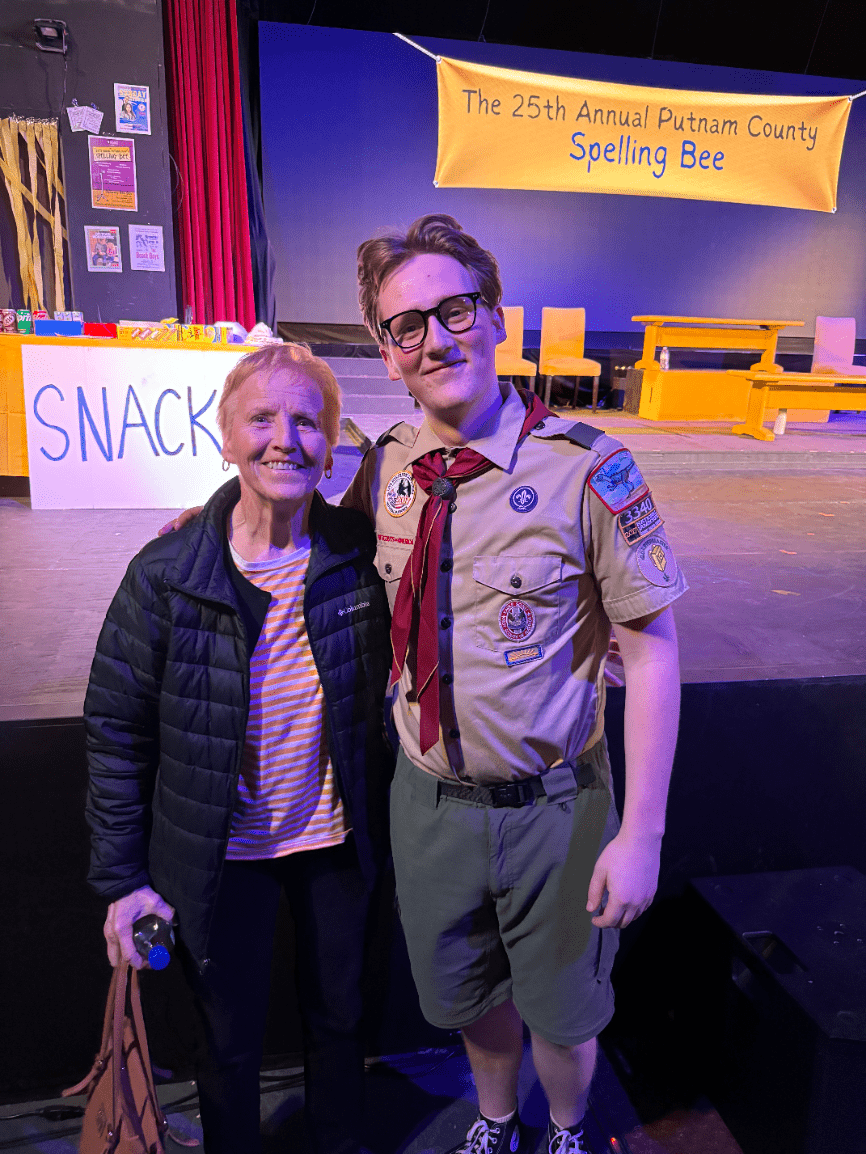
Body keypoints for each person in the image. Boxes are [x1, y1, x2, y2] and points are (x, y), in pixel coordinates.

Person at [341, 214, 687, 1154]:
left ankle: (567, 1129)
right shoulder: (386, 468)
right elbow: (296, 524)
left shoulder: (590, 468)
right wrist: (214, 517)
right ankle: (495, 1120)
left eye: (454, 310)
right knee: (467, 998)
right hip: (429, 803)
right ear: (387, 353)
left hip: (556, 810)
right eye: (406, 326)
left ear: (495, 316)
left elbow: (653, 654)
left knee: (564, 1012)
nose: (434, 339)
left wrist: (642, 835)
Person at [84, 343, 392, 1154]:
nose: (285, 438)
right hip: (220, 860)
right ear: (226, 438)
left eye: (307, 421)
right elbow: (116, 730)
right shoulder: (166, 573)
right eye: (262, 419)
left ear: (332, 444)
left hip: (336, 848)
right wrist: (123, 882)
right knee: (225, 1044)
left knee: (341, 1020)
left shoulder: (362, 556)